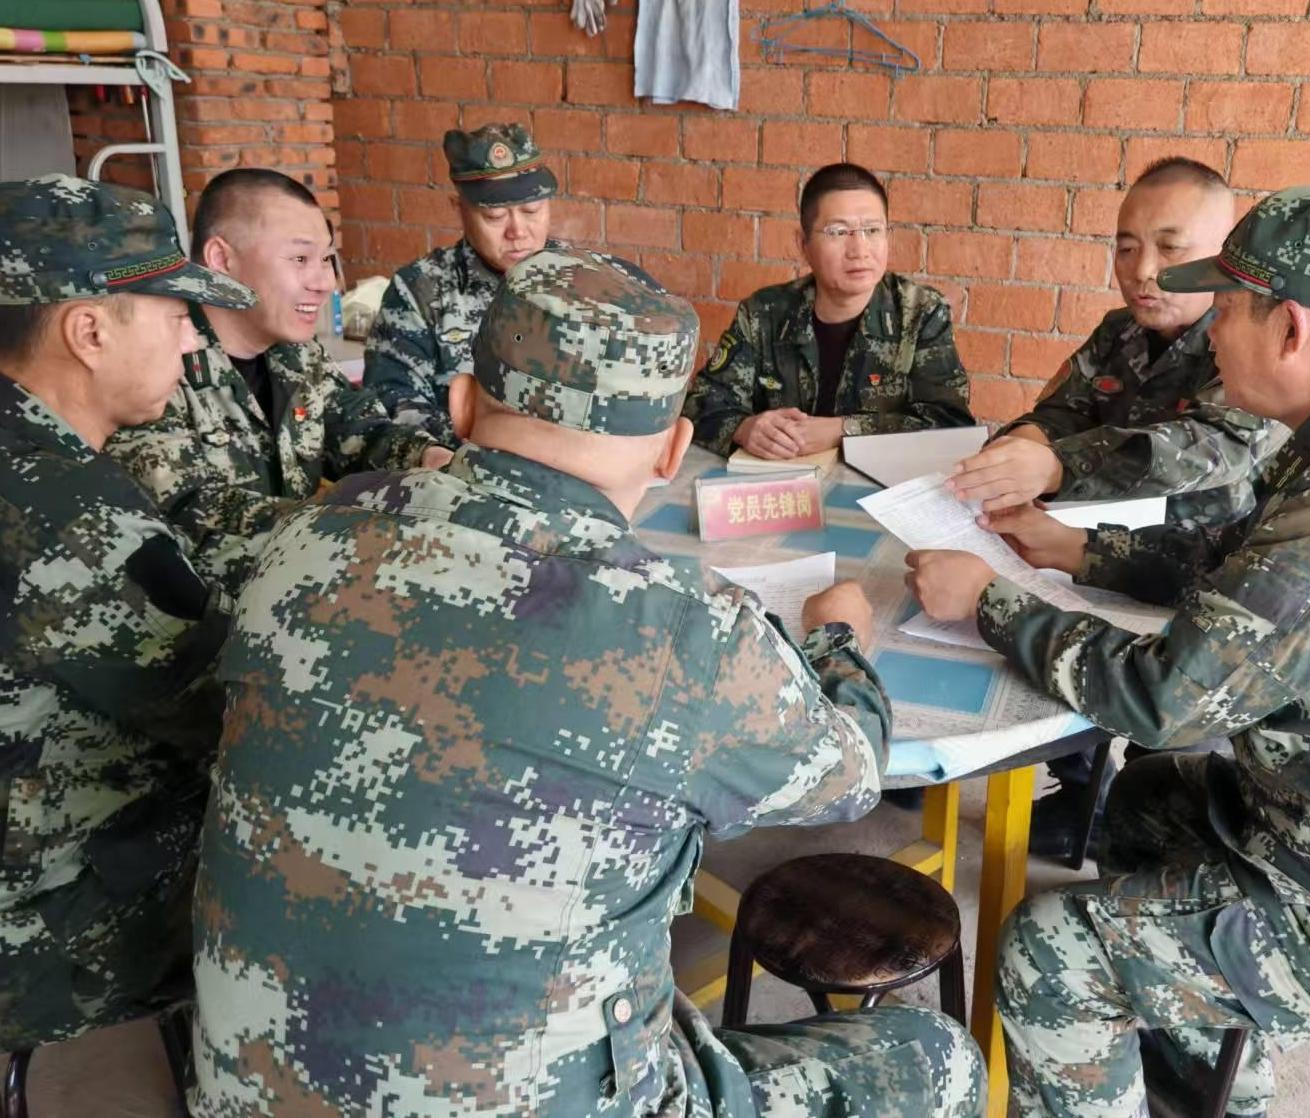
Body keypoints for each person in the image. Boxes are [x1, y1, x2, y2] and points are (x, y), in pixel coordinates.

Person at [190, 248, 986, 1117]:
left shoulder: (303, 540)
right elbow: (852, 776)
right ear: (673, 450)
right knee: (932, 1055)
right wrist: (838, 636)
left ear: (462, 404)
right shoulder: (684, 629)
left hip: (242, 1087)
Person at [905, 186, 1310, 1117]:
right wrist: (1081, 551)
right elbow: (1245, 565)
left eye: (1225, 309)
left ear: (1289, 327)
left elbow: (1166, 697)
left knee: (1052, 950)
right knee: (1143, 801)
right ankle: (1218, 1091)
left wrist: (989, 604)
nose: (1209, 334)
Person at [950, 157, 1287, 863]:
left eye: (1169, 248)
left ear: (1221, 257)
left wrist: (1058, 464)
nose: (1142, 270)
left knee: (1167, 742)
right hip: (1094, 554)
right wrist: (1023, 444)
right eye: (1126, 247)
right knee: (1049, 659)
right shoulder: (1118, 333)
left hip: (1203, 574)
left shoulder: (1242, 342)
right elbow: (1061, 409)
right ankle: (1080, 790)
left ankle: (1140, 814)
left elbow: (1211, 446)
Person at [0, 175, 252, 1052]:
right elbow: (229, 710)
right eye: (176, 314)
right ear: (89, 332)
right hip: (34, 945)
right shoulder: (68, 515)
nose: (192, 339)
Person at [106, 168, 449, 593]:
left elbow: (357, 430)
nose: (325, 283)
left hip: (299, 588)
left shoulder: (296, 354)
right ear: (221, 260)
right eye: (300, 259)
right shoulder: (157, 363)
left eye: (326, 259)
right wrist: (353, 528)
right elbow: (189, 516)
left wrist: (429, 458)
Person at [684, 162, 974, 459]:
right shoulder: (763, 313)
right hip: (779, 480)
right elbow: (700, 404)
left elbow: (950, 424)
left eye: (872, 230)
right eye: (838, 232)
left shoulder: (920, 313)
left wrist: (843, 430)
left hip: (875, 485)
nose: (859, 250)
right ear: (803, 243)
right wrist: (744, 428)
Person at [363, 122, 569, 444]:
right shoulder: (421, 290)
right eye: (495, 216)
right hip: (460, 466)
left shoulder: (579, 279)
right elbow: (391, 403)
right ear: (458, 209)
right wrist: (491, 444)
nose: (517, 231)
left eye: (532, 210)